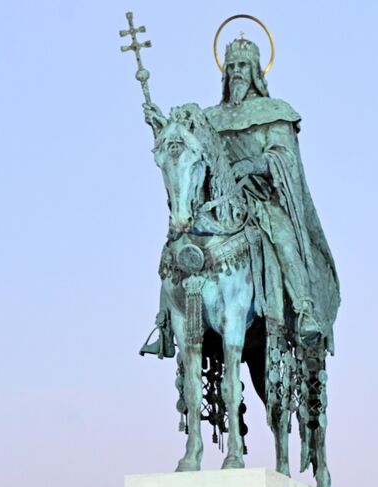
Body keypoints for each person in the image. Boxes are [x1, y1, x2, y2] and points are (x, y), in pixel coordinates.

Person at [141, 35, 339, 358]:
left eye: (243, 66)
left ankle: (303, 310)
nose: (235, 72)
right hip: (216, 205)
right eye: (230, 66)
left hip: (261, 199)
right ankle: (165, 325)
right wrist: (162, 127)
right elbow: (188, 155)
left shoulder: (274, 112)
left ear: (256, 72)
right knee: (175, 242)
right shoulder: (209, 118)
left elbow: (284, 159)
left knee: (284, 238)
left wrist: (252, 164)